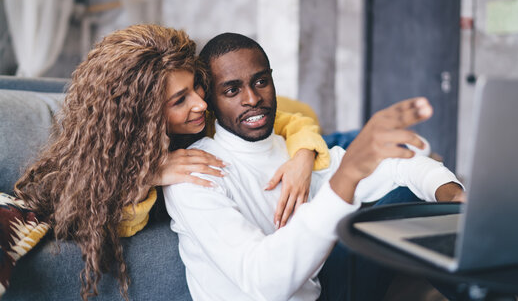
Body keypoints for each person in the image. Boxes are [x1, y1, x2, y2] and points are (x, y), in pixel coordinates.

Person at [12, 25, 332, 300]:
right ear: (144, 114)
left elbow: (292, 121)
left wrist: (304, 156)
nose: (201, 103)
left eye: (197, 85)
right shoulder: (110, 159)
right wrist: (149, 174)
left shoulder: (207, 115)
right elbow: (105, 217)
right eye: (180, 100)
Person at [163, 32, 465, 300]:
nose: (252, 98)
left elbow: (399, 166)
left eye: (261, 82)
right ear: (211, 101)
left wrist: (451, 196)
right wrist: (344, 181)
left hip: (323, 290)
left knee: (413, 197)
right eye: (232, 91)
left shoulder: (295, 152)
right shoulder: (194, 174)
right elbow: (264, 283)